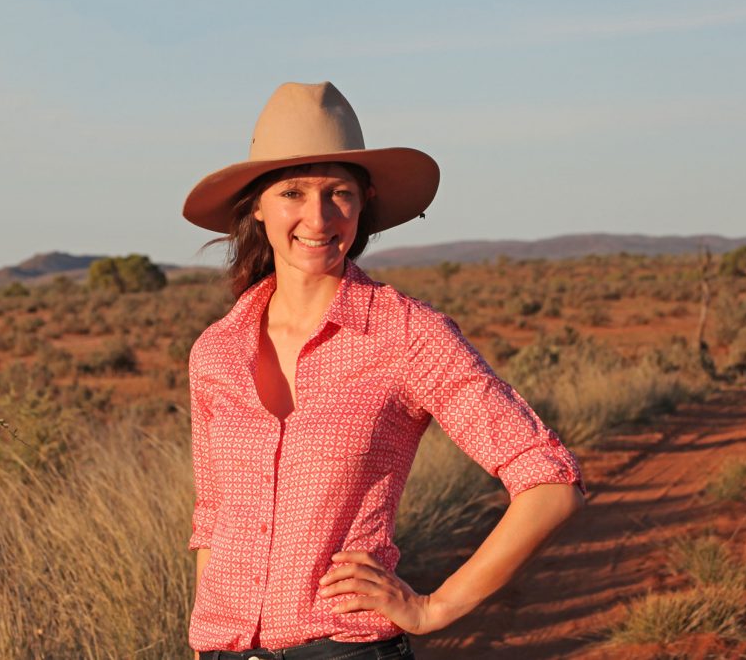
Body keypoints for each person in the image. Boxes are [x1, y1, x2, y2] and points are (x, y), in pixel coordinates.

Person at [181, 81, 587, 660]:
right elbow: (213, 519)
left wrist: (434, 608)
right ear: (257, 206)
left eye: (338, 193)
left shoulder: (406, 335)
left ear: (364, 201)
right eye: (292, 192)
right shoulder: (216, 351)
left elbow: (550, 485)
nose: (317, 217)